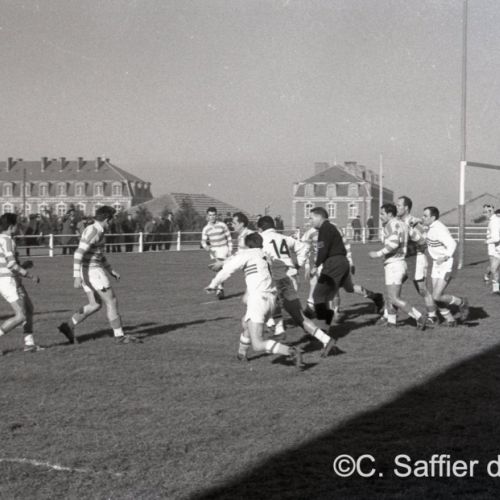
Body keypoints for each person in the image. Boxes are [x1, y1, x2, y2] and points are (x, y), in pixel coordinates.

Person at [205, 232, 304, 369]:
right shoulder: (266, 255)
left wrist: (213, 285)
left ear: (247, 245)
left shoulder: (247, 254)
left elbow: (228, 270)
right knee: (247, 324)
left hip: (258, 300)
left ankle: (290, 351)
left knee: (257, 344)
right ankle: (241, 355)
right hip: (271, 300)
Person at [58, 206, 140, 345]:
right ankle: (119, 336)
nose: (113, 222)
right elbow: (78, 253)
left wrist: (110, 270)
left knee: (95, 304)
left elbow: (97, 254)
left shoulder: (96, 229)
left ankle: (68, 326)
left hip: (89, 270)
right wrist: (76, 276)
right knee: (111, 301)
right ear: (107, 219)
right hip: (93, 272)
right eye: (112, 219)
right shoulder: (95, 231)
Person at [257, 215, 337, 357]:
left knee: (262, 305)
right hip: (291, 276)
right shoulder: (283, 237)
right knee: (295, 314)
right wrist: (298, 264)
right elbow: (303, 248)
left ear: (260, 228)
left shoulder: (260, 238)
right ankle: (326, 340)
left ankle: (273, 333)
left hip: (280, 279)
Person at [310, 208, 384, 332]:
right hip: (341, 262)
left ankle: (325, 328)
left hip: (333, 263)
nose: (310, 221)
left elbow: (327, 249)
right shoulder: (330, 228)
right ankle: (376, 297)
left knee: (321, 295)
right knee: (349, 288)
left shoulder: (324, 229)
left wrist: (315, 265)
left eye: (311, 218)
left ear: (319, 217)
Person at [369, 204, 426, 329]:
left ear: (390, 214)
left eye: (382, 214)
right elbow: (420, 239)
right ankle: (391, 322)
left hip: (394, 265)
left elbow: (394, 244)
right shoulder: (404, 224)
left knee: (394, 298)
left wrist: (377, 254)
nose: (380, 216)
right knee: (391, 296)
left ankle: (418, 317)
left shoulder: (390, 225)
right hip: (402, 263)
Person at [0, 213, 42, 352]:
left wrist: (23, 266)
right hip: (8, 280)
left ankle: (29, 344)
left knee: (28, 309)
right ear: (11, 226)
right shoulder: (7, 240)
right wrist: (30, 276)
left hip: (10, 278)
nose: (19, 227)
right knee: (21, 315)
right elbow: (11, 265)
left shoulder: (3, 239)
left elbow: (6, 263)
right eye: (17, 224)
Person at [422, 206, 469, 326]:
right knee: (436, 296)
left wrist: (445, 257)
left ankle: (461, 302)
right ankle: (450, 320)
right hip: (437, 263)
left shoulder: (439, 229)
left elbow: (452, 244)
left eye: (425, 216)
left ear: (433, 217)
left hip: (447, 263)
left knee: (436, 295)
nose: (423, 218)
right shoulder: (430, 227)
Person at [397, 196, 437, 326]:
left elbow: (424, 241)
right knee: (394, 286)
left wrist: (412, 236)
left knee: (422, 289)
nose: (396, 208)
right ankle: (389, 316)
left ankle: (432, 316)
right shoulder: (398, 222)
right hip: (404, 259)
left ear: (406, 208)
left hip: (417, 258)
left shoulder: (414, 222)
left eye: (399, 205)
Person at [202, 207, 233, 300]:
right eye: (210, 215)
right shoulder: (206, 228)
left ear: (216, 215)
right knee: (219, 270)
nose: (212, 217)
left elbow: (229, 237)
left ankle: (219, 289)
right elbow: (203, 241)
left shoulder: (222, 225)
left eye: (214, 215)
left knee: (220, 269)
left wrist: (230, 249)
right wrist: (206, 246)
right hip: (214, 251)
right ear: (207, 216)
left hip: (224, 249)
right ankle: (220, 289)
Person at [484, 204, 497, 283]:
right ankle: (493, 280)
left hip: (497, 244)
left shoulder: (496, 219)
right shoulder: (492, 221)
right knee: (493, 264)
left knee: (495, 264)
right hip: (492, 245)